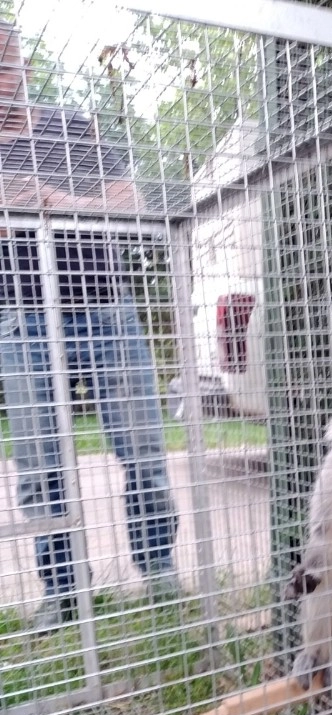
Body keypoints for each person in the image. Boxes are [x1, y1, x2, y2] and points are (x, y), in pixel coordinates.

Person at [0, 20, 179, 631]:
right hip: (24, 322)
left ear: (21, 63)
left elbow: (132, 202)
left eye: (6, 59)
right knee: (40, 464)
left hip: (106, 310)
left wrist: (49, 203)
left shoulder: (70, 125)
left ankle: (159, 570)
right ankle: (63, 590)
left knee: (143, 450)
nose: (3, 77)